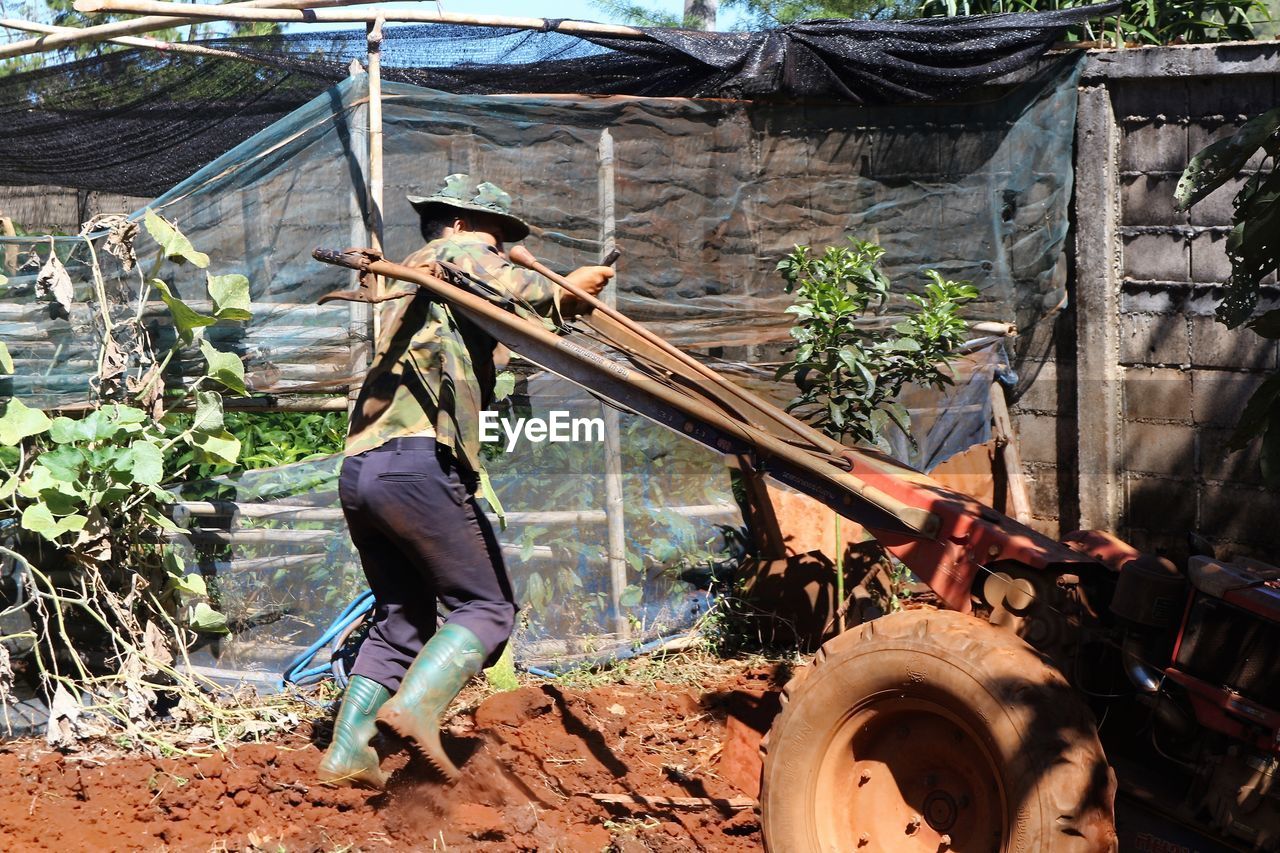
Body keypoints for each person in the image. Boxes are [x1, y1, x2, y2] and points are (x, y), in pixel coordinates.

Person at [317, 174, 614, 787]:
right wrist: (562, 290)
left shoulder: (427, 298)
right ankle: (417, 707)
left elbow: (512, 323)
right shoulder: (450, 255)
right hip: (416, 463)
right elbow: (499, 278)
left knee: (403, 616)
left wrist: (563, 302)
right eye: (494, 237)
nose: (498, 249)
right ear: (457, 223)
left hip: (364, 469)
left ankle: (350, 751)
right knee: (486, 607)